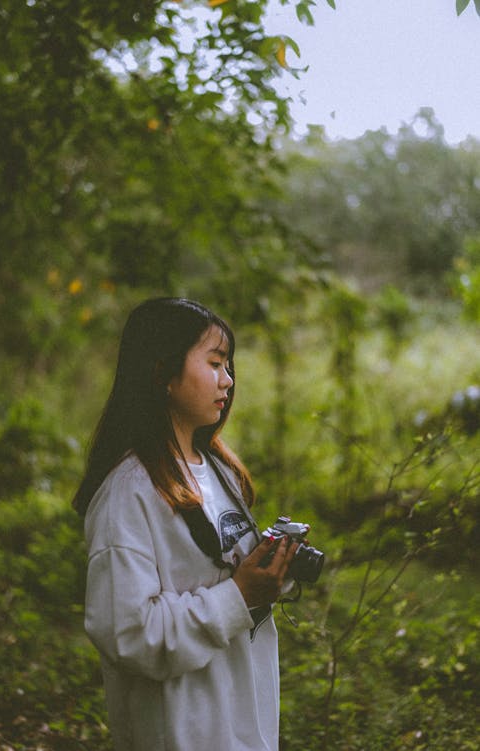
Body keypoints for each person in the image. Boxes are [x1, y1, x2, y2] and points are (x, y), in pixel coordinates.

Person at [73, 297, 297, 751]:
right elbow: (130, 633)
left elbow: (225, 576)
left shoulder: (218, 471)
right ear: (163, 373)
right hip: (182, 733)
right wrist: (238, 596)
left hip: (243, 725)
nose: (228, 380)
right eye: (215, 363)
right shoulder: (129, 493)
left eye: (229, 365)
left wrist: (269, 574)